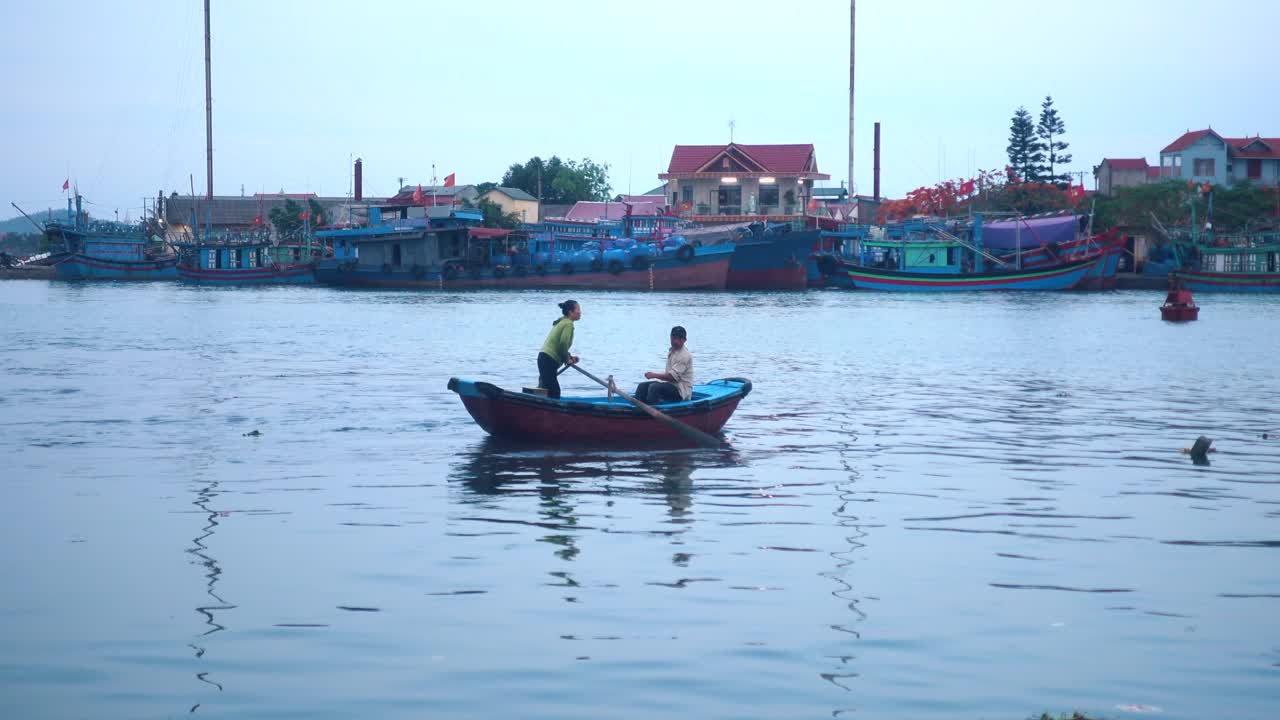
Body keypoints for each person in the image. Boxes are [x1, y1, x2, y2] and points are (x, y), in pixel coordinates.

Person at [634, 326, 693, 405]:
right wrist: (654, 375)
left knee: (654, 388)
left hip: (681, 392)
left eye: (679, 339)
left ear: (684, 340)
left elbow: (671, 377)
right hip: (671, 385)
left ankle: (652, 413)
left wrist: (653, 375)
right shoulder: (672, 350)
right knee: (642, 387)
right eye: (674, 338)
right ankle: (638, 410)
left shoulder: (685, 356)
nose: (676, 341)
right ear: (670, 337)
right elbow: (669, 375)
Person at [537, 300, 580, 399]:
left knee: (547, 390)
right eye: (578, 309)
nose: (580, 312)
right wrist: (566, 359)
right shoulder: (568, 323)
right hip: (548, 360)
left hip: (544, 358)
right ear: (570, 312)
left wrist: (569, 357)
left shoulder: (563, 321)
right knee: (554, 392)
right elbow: (563, 343)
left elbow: (560, 345)